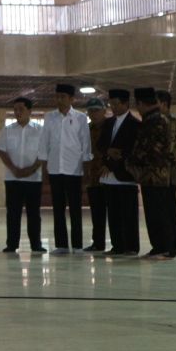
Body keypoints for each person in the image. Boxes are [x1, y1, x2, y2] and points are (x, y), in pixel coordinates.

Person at [37, 83, 91, 254]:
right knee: (58, 209)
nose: (59, 100)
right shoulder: (49, 117)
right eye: (57, 96)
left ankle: (77, 245)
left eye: (63, 97)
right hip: (55, 169)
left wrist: (86, 168)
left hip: (74, 169)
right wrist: (44, 168)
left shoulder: (81, 118)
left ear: (71, 99)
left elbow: (85, 143)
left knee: (75, 209)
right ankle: (61, 245)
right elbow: (44, 143)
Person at [126, 87, 176, 259]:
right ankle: (159, 247)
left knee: (159, 213)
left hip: (155, 174)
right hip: (154, 175)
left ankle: (165, 248)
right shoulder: (156, 119)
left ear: (141, 103)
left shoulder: (154, 121)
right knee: (155, 212)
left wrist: (130, 160)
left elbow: (148, 149)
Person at [0, 97, 45, 253]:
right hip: (12, 178)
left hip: (33, 178)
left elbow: (44, 153)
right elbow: (1, 151)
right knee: (13, 213)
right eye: (15, 109)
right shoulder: (7, 130)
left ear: (29, 111)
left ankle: (36, 244)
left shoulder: (40, 130)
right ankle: (12, 244)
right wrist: (14, 169)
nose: (17, 112)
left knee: (34, 213)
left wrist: (31, 169)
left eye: (21, 109)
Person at [96, 89, 140, 256]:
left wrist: (112, 164)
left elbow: (130, 151)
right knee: (113, 213)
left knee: (128, 213)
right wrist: (108, 153)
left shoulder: (135, 124)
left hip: (125, 175)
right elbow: (101, 145)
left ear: (126, 104)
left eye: (116, 104)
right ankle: (117, 245)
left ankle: (131, 246)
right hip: (109, 177)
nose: (113, 107)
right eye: (111, 104)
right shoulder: (108, 123)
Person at [158, 90, 176, 258]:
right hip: (162, 174)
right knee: (164, 211)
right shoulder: (161, 122)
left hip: (169, 174)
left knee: (170, 212)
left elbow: (170, 150)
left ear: (164, 104)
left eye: (156, 103)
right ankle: (167, 245)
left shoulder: (171, 123)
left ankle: (173, 247)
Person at [82, 97, 109, 252]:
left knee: (113, 213)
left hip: (109, 175)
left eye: (96, 110)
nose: (93, 114)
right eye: (91, 111)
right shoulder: (87, 129)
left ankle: (120, 242)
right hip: (93, 177)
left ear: (104, 111)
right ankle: (98, 243)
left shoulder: (111, 126)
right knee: (97, 213)